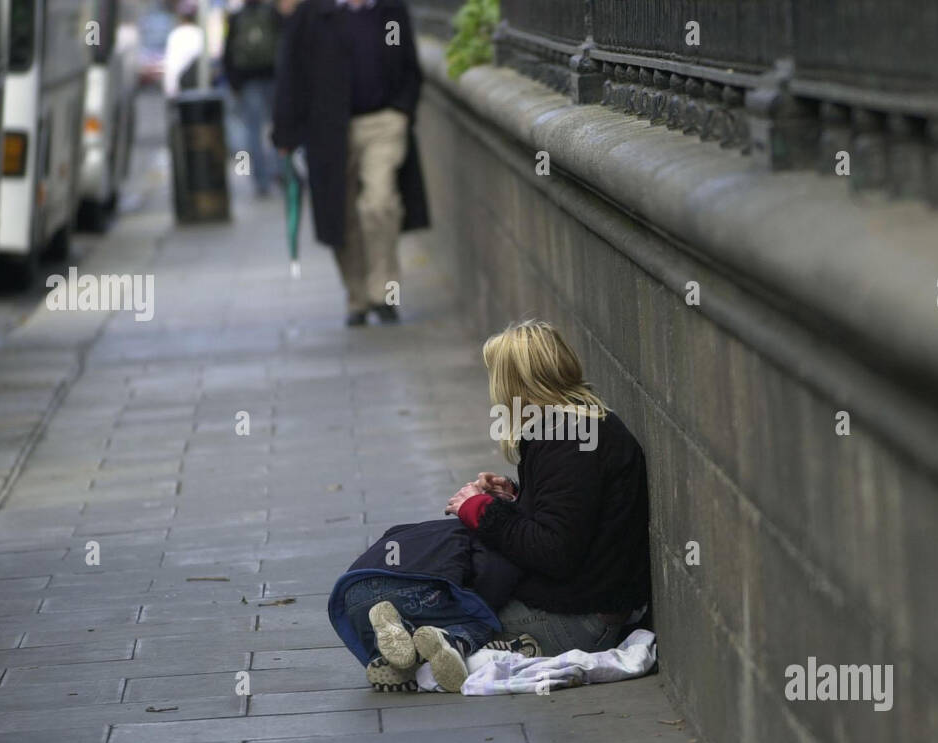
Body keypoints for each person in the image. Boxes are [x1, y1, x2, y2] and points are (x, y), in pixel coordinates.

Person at [447, 321, 653, 656]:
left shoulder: (569, 438)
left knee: (445, 610)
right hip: (581, 605)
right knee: (448, 605)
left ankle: (463, 650)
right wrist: (514, 498)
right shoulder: (575, 426)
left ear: (513, 384)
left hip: (579, 621)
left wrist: (481, 511)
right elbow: (572, 515)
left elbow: (553, 551)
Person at [272, 0, 429, 327]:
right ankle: (357, 297)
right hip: (329, 132)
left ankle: (384, 293)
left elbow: (409, 64)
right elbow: (291, 74)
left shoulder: (389, 10)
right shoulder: (312, 14)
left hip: (384, 122)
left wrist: (402, 110)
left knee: (379, 203)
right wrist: (286, 132)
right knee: (341, 215)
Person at [328, 518, 538, 693]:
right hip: (414, 587)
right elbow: (491, 580)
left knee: (397, 639)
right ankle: (451, 640)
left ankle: (397, 656)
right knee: (480, 623)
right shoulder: (481, 536)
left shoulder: (411, 532)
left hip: (354, 594)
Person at [223, 0, 283, 197]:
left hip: (248, 81)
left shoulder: (237, 17)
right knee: (277, 128)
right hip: (272, 78)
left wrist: (234, 83)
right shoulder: (272, 13)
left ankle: (260, 180)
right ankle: (280, 172)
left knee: (252, 133)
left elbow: (228, 52)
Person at [163, 0, 206, 99]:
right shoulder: (200, 34)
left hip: (181, 90)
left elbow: (171, 66)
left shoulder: (175, 35)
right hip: (198, 90)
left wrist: (170, 90)